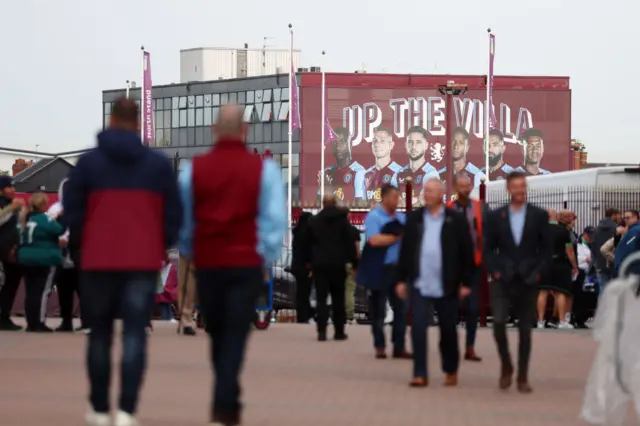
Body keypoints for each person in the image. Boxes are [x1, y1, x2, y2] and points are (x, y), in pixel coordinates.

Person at [64, 97, 182, 426]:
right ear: (138, 123)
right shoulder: (157, 166)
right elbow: (174, 215)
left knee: (99, 334)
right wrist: (160, 242)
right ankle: (127, 410)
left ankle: (100, 408)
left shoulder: (88, 164)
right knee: (134, 334)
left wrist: (86, 240)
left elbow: (72, 210)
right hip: (141, 261)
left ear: (112, 120)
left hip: (98, 259)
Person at [178, 104, 286, 425]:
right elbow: (274, 220)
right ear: (245, 130)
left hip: (209, 261)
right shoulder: (264, 171)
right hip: (245, 262)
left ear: (214, 130)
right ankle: (227, 393)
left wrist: (191, 249)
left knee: (216, 328)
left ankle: (224, 392)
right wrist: (263, 255)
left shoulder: (192, 171)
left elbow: (185, 222)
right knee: (237, 329)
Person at [395, 178, 473, 387]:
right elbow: (406, 250)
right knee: (418, 327)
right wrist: (401, 279)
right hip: (420, 282)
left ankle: (450, 369)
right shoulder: (415, 218)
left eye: (432, 191)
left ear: (442, 194)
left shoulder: (455, 219)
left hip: (447, 283)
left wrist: (466, 282)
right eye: (426, 191)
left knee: (447, 329)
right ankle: (420, 373)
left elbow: (466, 252)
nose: (428, 195)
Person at [484, 171, 550, 393]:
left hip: (529, 279)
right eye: (516, 186)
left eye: (523, 186)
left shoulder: (539, 215)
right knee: (499, 323)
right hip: (502, 279)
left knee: (525, 330)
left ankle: (522, 375)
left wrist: (538, 272)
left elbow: (546, 249)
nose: (520, 190)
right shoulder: (496, 216)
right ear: (508, 189)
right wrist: (495, 271)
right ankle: (506, 365)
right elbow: (487, 249)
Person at [360, 184, 410, 359]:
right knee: (378, 310)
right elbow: (374, 240)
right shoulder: (373, 217)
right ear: (386, 198)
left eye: (399, 197)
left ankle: (399, 347)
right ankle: (380, 346)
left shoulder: (402, 218)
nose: (398, 201)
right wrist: (397, 237)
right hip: (379, 269)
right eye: (395, 197)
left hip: (398, 269)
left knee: (401, 309)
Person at [306, 195, 358, 341]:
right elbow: (350, 242)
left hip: (320, 265)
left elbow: (307, 244)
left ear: (323, 204)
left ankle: (321, 332)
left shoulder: (314, 221)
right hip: (338, 264)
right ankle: (339, 331)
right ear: (335, 204)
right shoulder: (342, 221)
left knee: (321, 299)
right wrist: (354, 263)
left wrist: (309, 263)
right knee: (338, 298)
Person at [446, 173, 485, 361]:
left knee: (472, 308)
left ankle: (470, 347)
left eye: (467, 186)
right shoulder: (447, 209)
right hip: (452, 266)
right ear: (455, 188)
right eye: (461, 186)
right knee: (451, 308)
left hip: (474, 265)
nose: (465, 189)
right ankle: (451, 346)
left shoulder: (479, 207)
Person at [17, 192, 65, 332]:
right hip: (44, 259)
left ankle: (31, 322)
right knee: (43, 291)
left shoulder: (24, 219)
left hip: (25, 258)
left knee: (30, 292)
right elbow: (58, 230)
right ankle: (39, 322)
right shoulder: (44, 219)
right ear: (43, 205)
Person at [48, 178, 88, 332]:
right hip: (61, 255)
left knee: (84, 290)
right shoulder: (55, 208)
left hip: (79, 253)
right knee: (64, 291)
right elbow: (50, 227)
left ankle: (87, 321)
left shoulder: (84, 208)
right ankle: (66, 322)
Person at [536, 209, 578, 330]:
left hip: (543, 264)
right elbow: (569, 251)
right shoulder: (563, 231)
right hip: (559, 263)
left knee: (543, 292)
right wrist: (574, 266)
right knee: (560, 292)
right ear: (556, 217)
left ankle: (540, 321)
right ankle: (562, 321)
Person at [0, 176, 25, 331]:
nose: (13, 190)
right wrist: (12, 209)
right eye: (9, 187)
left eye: (13, 187)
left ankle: (4, 316)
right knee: (4, 284)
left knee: (11, 285)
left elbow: (19, 227)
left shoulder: (12, 206)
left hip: (13, 251)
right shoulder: (5, 205)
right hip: (2, 252)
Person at [177, 163, 198, 336]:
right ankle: (186, 317)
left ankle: (188, 315)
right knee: (187, 279)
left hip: (199, 238)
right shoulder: (184, 194)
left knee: (192, 279)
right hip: (188, 239)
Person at [591, 207, 620, 292]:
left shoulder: (596, 229)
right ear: (613, 215)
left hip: (600, 263)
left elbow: (593, 246)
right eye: (618, 215)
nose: (619, 217)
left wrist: (596, 261)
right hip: (613, 263)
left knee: (602, 289)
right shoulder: (616, 229)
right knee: (614, 290)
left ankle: (603, 305)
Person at [291, 212, 313, 323]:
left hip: (297, 266)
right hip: (306, 267)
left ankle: (302, 315)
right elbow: (309, 252)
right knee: (305, 292)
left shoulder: (296, 234)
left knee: (300, 292)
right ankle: (305, 315)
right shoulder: (308, 235)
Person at [614, 210, 640, 277]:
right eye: (624, 218)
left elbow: (627, 250)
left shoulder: (635, 231)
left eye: (628, 218)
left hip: (631, 271)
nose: (625, 220)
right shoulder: (631, 230)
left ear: (635, 218)